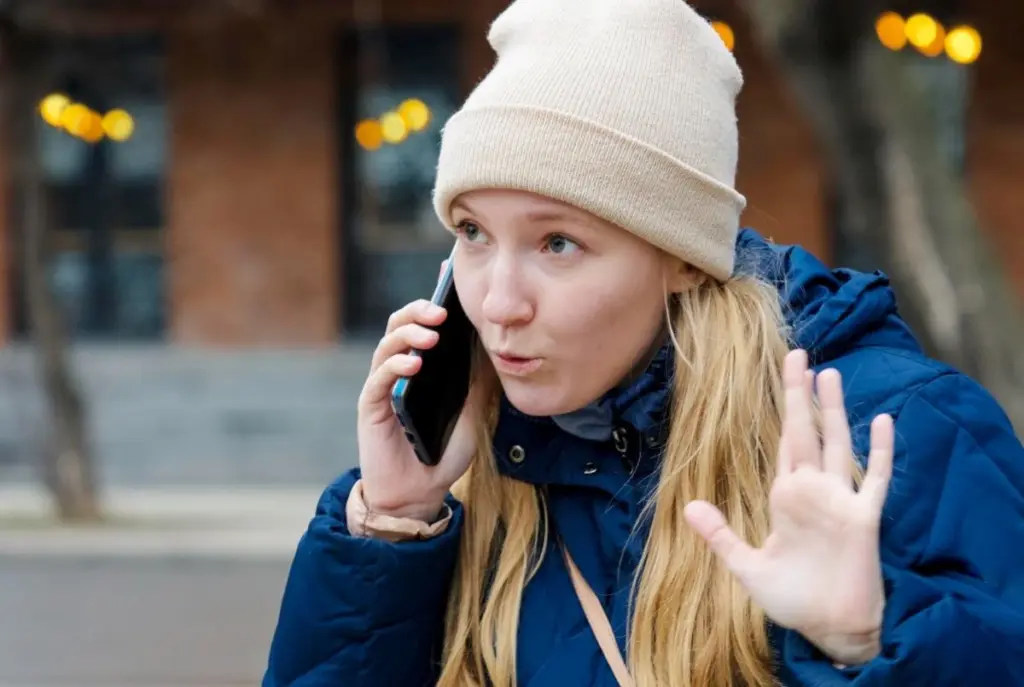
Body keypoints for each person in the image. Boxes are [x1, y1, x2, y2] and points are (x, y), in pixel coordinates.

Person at [262, 0, 1024, 684]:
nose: (496, 302)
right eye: (472, 233)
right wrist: (393, 527)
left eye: (558, 242)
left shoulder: (891, 434)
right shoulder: (466, 471)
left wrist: (871, 641)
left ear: (684, 258)